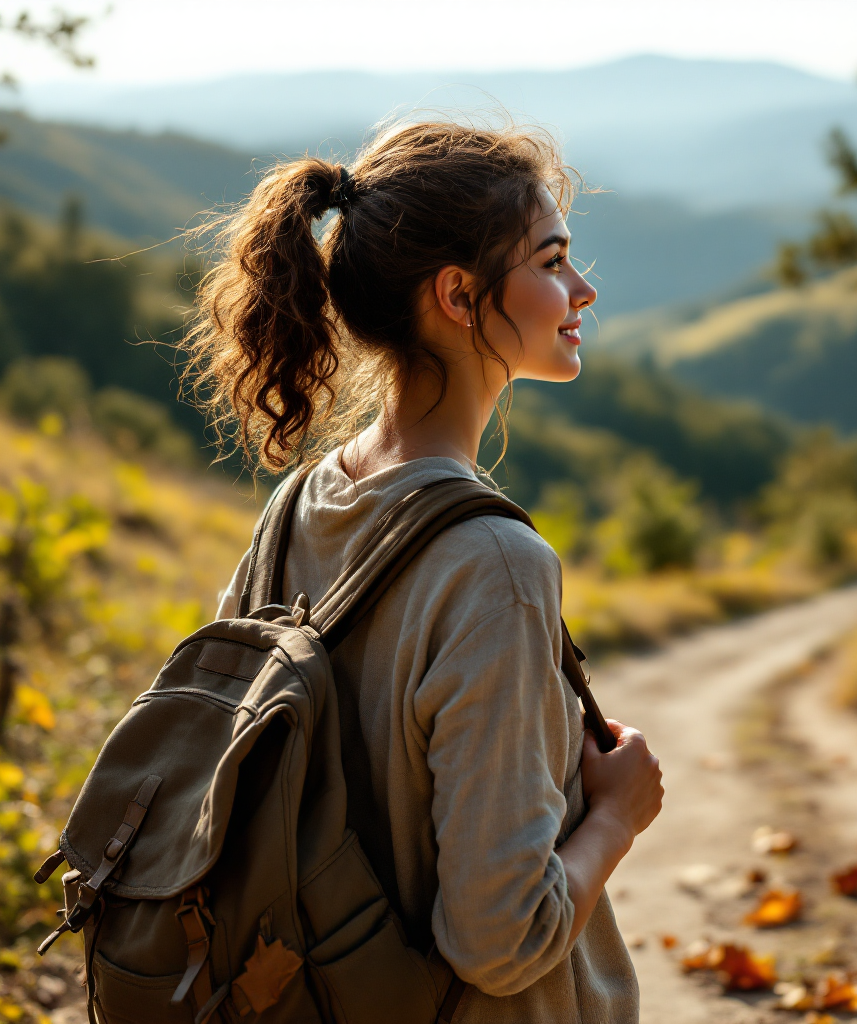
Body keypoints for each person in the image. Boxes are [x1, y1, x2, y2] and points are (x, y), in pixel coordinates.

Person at [195, 120, 663, 1023]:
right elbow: (500, 938)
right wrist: (618, 815)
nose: (583, 288)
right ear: (458, 294)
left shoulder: (296, 508)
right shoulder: (497, 564)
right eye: (552, 259)